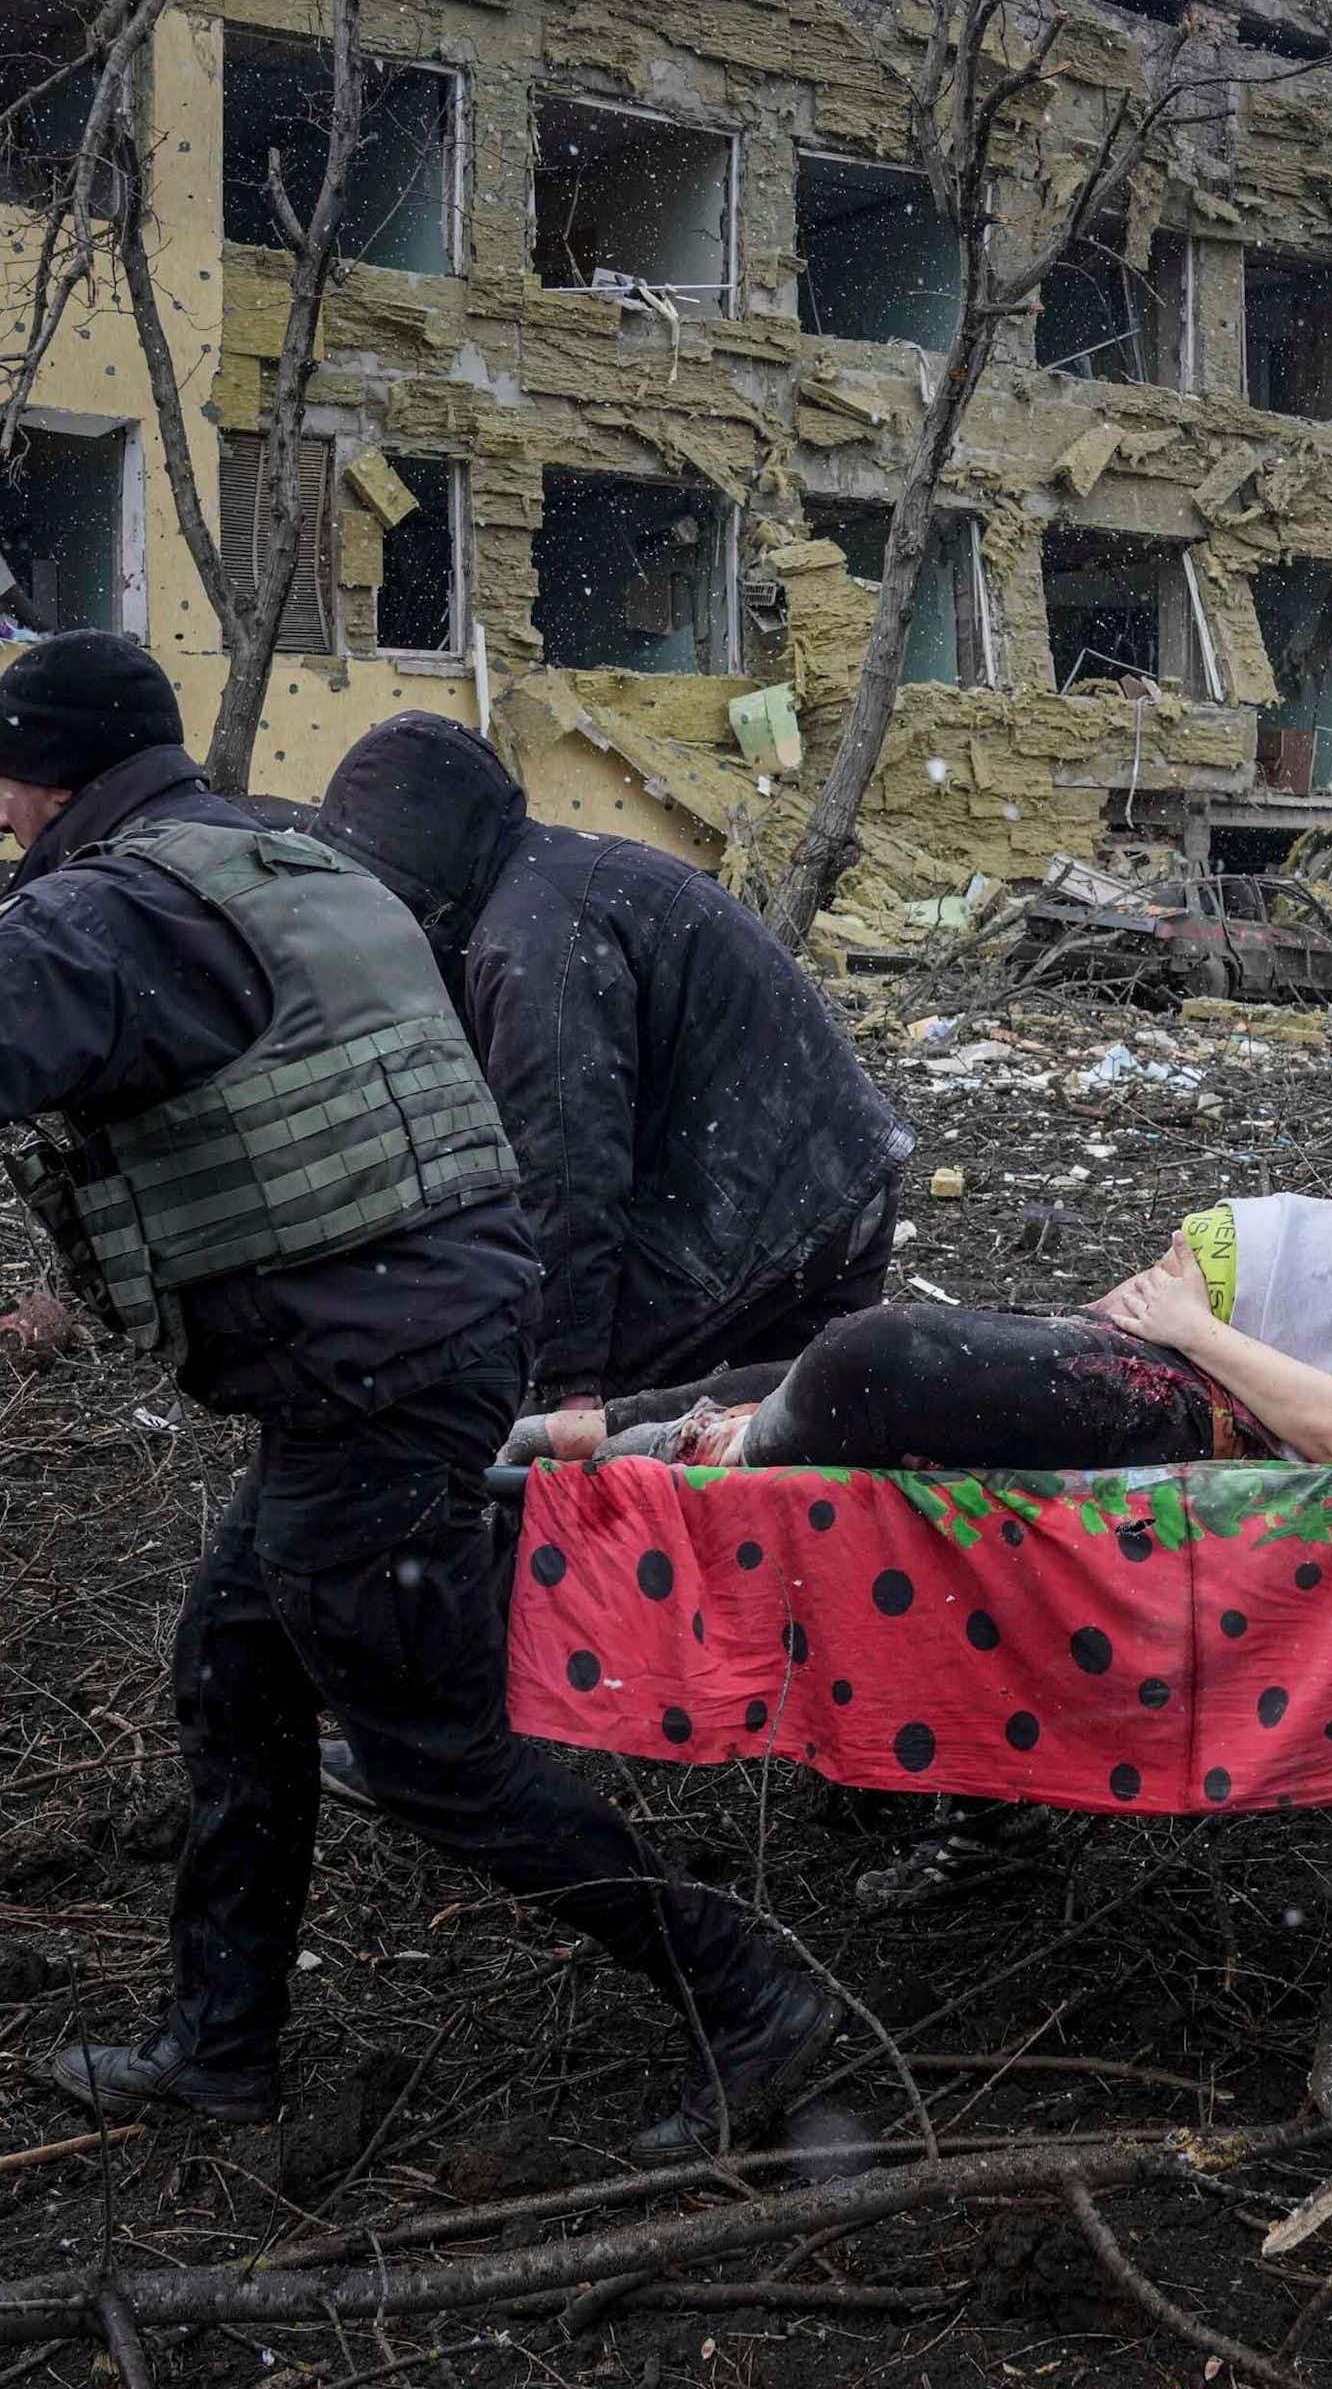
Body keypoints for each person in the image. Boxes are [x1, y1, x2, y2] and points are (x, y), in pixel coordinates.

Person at [0, 634, 841, 2164]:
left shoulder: (109, 912)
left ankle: (748, 1992)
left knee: (428, 1747)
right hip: (412, 1342)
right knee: (235, 1670)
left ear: (37, 775)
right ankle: (218, 2047)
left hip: (372, 1371)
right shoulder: (261, 852)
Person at [509, 1137, 1332, 1477]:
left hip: (1212, 1379)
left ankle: (646, 1456)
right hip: (1199, 1293)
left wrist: (1190, 1329)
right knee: (858, 1364)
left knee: (883, 1362)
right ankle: (574, 1427)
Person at [316, 712, 913, 1434]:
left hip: (766, 1210)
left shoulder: (531, 943)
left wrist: (568, 1381)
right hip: (831, 1182)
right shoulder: (551, 884)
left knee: (531, 1435)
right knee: (784, 1458)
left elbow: (566, 1163)